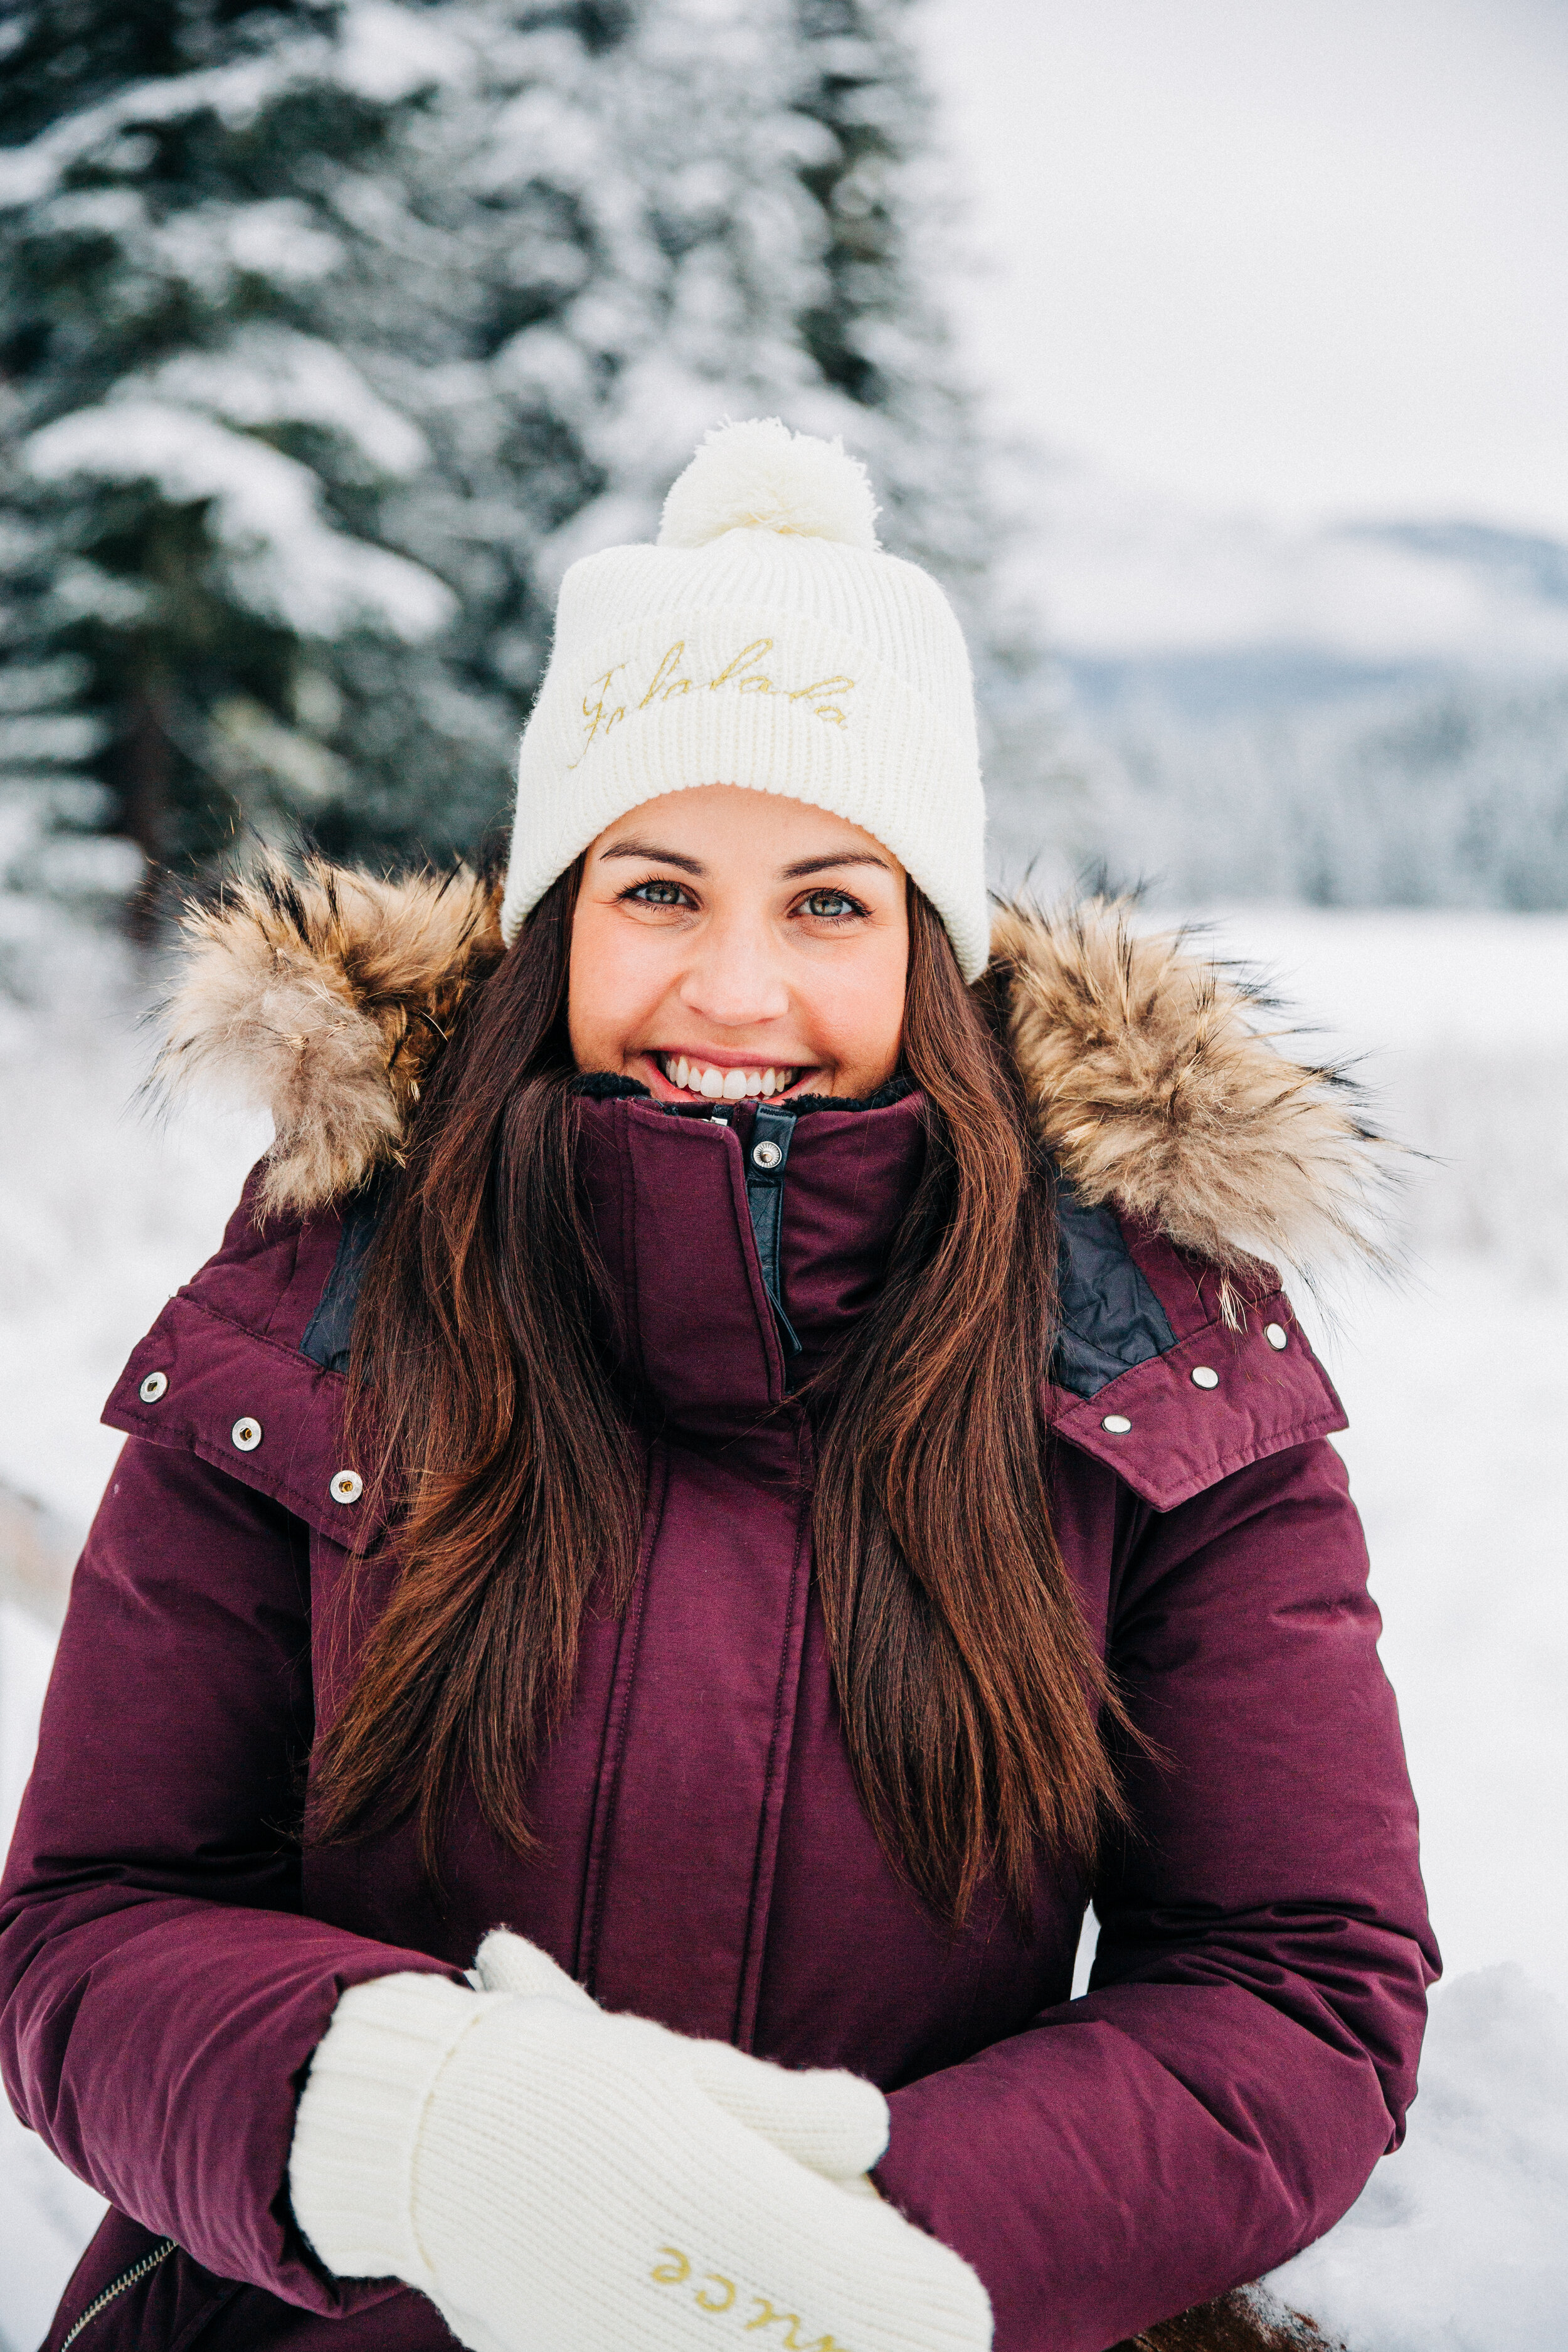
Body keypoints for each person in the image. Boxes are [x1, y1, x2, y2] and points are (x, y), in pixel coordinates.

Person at [0, 420, 1435, 2352]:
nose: (735, 991)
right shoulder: (314, 1316)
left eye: (828, 902)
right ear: (554, 926)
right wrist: (407, 2132)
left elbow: (1297, 1983)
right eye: (657, 891)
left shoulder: (1146, 1359)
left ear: (929, 942)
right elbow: (88, 1925)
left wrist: (839, 2254)